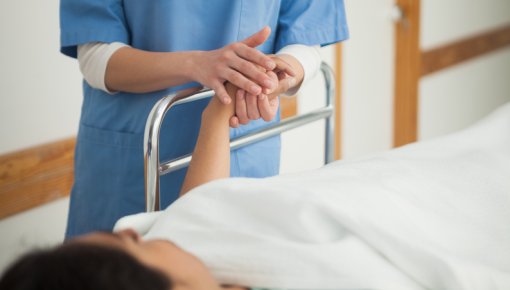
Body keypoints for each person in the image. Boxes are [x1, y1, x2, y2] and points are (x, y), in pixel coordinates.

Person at [60, 0, 350, 238]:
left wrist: (275, 73)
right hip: (132, 160)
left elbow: (307, 38)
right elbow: (95, 55)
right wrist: (197, 64)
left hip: (242, 143)